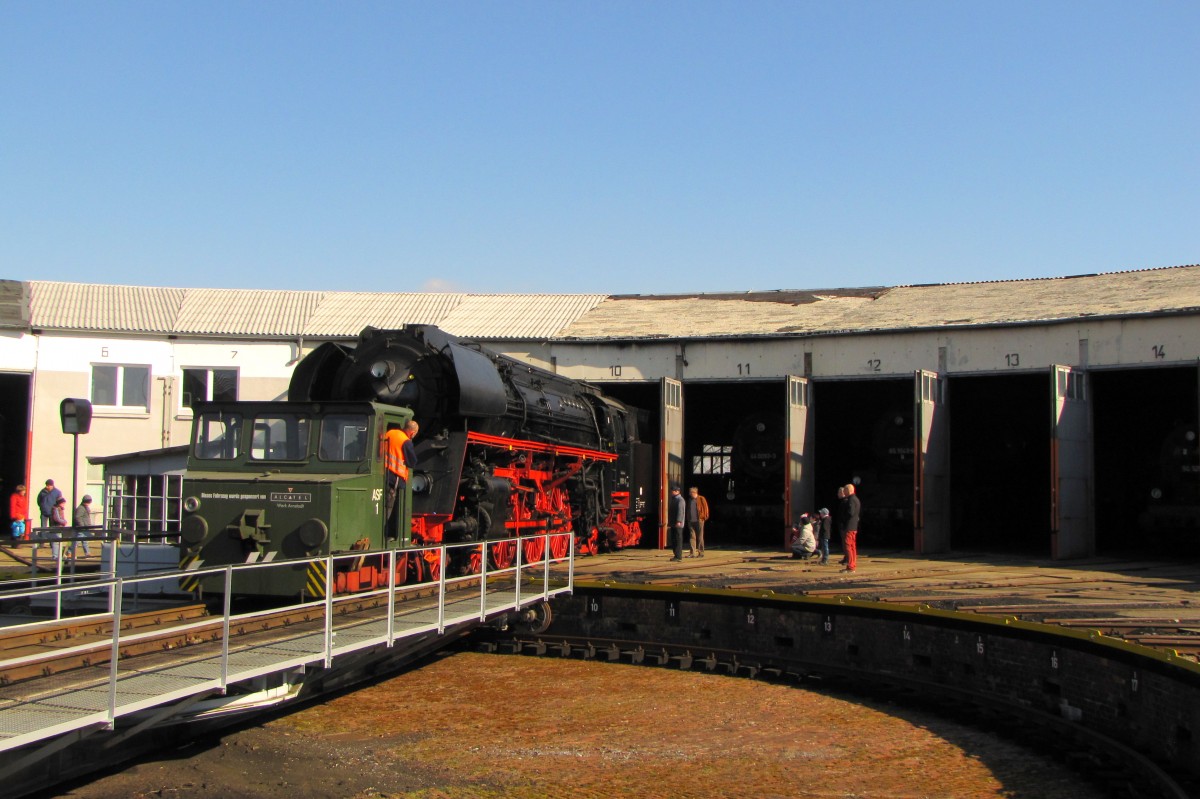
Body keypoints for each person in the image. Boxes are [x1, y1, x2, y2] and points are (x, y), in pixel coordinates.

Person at [380, 420, 419, 537]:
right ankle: (384, 534)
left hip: (382, 474)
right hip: (394, 478)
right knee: (389, 507)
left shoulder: (390, 433)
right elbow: (412, 462)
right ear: (412, 433)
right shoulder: (406, 441)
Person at [840, 483, 861, 573]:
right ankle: (852, 564)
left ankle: (850, 566)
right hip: (854, 526)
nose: (843, 492)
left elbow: (850, 513)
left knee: (848, 546)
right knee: (852, 546)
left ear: (848, 490)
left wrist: (843, 519)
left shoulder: (851, 500)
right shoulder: (856, 499)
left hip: (849, 526)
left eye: (844, 490)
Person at [685, 486, 709, 557]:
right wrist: (688, 518)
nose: (689, 494)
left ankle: (701, 552)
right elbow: (688, 509)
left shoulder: (701, 499)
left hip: (699, 520)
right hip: (691, 521)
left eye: (690, 492)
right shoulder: (690, 500)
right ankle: (692, 553)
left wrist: (703, 517)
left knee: (700, 536)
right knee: (692, 537)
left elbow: (706, 508)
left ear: (694, 492)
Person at [667, 484, 686, 561]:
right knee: (674, 539)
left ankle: (678, 556)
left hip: (678, 524)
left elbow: (680, 511)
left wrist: (678, 521)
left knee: (678, 539)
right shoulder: (674, 499)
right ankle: (676, 555)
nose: (671, 492)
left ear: (677, 491)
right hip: (673, 523)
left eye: (672, 491)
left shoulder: (680, 500)